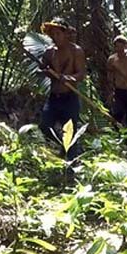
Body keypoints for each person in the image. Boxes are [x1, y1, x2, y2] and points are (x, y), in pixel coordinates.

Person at [38, 18, 87, 158]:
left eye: (58, 34)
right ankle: (63, 146)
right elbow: (42, 68)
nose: (55, 37)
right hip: (54, 98)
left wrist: (68, 78)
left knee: (70, 133)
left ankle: (70, 169)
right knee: (44, 127)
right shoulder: (49, 52)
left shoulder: (76, 51)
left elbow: (81, 73)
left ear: (65, 34)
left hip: (69, 98)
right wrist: (44, 70)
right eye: (52, 34)